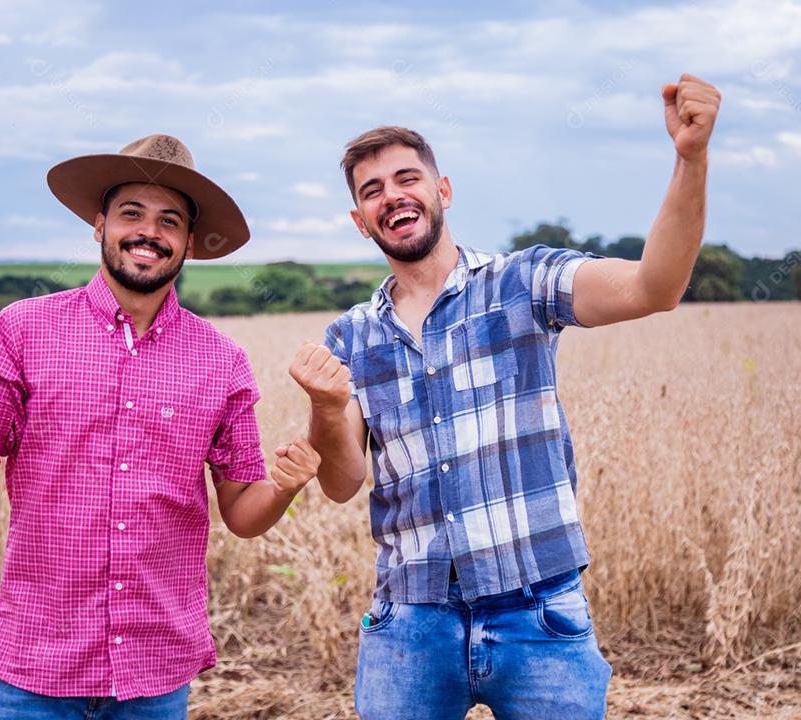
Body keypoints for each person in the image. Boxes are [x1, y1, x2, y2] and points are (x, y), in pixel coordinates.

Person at [289, 74, 720, 718]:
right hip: (410, 624)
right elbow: (342, 482)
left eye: (407, 178)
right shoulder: (351, 335)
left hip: (540, 614)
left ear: (442, 190)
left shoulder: (524, 283)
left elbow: (653, 287)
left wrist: (690, 160)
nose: (392, 197)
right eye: (371, 191)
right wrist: (326, 407)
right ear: (360, 221)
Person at [0, 134, 320, 718]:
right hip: (36, 662)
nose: (149, 232)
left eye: (170, 221)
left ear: (187, 244)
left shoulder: (220, 359)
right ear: (99, 224)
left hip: (155, 671)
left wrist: (284, 485)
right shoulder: (22, 330)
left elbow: (241, 514)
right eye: (132, 213)